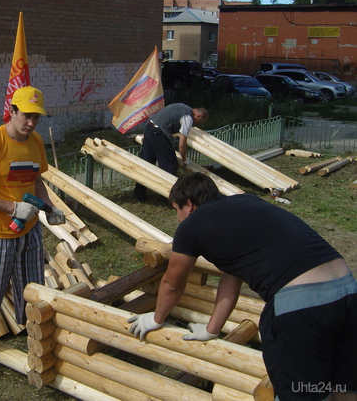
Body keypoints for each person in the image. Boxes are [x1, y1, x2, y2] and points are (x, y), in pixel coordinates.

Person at [128, 172, 357, 401]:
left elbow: (173, 283)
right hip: (347, 290)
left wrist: (156, 319)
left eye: (177, 210)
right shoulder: (247, 202)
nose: (178, 218)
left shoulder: (192, 226)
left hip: (301, 306)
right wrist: (211, 329)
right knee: (343, 388)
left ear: (189, 205)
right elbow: (233, 275)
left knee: (300, 395)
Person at [0, 86, 65, 388]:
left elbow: (35, 180)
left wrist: (49, 209)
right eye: (26, 115)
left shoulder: (35, 143)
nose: (30, 122)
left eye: (36, 117)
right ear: (12, 111)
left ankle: (34, 344)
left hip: (28, 231)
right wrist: (10, 206)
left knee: (32, 290)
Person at [134, 103, 208, 202]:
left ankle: (139, 194)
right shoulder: (188, 118)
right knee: (170, 166)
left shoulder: (183, 107)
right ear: (198, 116)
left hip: (150, 129)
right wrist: (184, 158)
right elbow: (182, 143)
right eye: (199, 121)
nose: (197, 123)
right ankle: (168, 196)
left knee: (146, 163)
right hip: (159, 133)